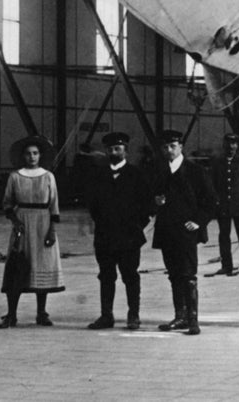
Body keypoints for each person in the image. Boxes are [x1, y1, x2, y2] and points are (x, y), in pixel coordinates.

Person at [152, 128, 216, 335]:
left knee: (188, 274)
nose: (169, 150)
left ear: (181, 147)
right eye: (165, 147)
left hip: (186, 233)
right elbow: (150, 197)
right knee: (173, 275)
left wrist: (199, 222)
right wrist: (155, 202)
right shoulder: (159, 171)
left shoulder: (196, 171)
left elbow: (211, 201)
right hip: (166, 231)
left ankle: (192, 319)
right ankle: (180, 316)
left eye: (173, 146)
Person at [86, 131, 152, 330]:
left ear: (126, 151)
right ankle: (106, 316)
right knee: (106, 276)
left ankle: (133, 315)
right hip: (105, 236)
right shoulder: (98, 174)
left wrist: (136, 226)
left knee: (130, 276)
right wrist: (102, 223)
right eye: (110, 149)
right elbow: (93, 204)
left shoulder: (137, 174)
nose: (114, 152)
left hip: (129, 237)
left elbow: (146, 206)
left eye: (118, 149)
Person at [0, 135, 64, 328]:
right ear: (23, 156)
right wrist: (15, 220)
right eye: (28, 153)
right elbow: (7, 203)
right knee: (16, 266)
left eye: (35, 153)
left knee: (41, 266)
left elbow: (54, 205)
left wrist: (51, 231)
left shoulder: (48, 176)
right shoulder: (15, 177)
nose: (32, 157)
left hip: (43, 224)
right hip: (22, 225)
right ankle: (11, 314)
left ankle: (41, 313)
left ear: (40, 155)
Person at [210, 132, 239, 276]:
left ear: (237, 146)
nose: (231, 147)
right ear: (223, 145)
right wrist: (215, 203)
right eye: (228, 144)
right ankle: (226, 266)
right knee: (224, 237)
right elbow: (212, 184)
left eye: (234, 144)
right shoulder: (217, 162)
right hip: (223, 206)